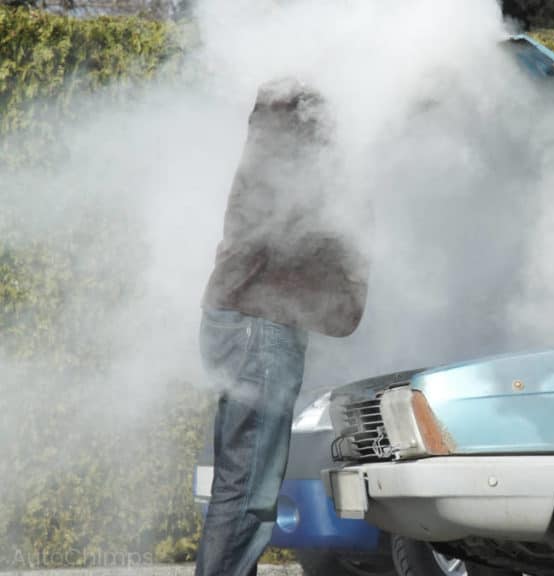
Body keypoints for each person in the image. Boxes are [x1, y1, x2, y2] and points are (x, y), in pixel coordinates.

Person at [194, 78, 368, 576]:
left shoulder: (275, 128)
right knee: (248, 491)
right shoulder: (294, 122)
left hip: (249, 322)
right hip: (261, 328)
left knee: (241, 485)